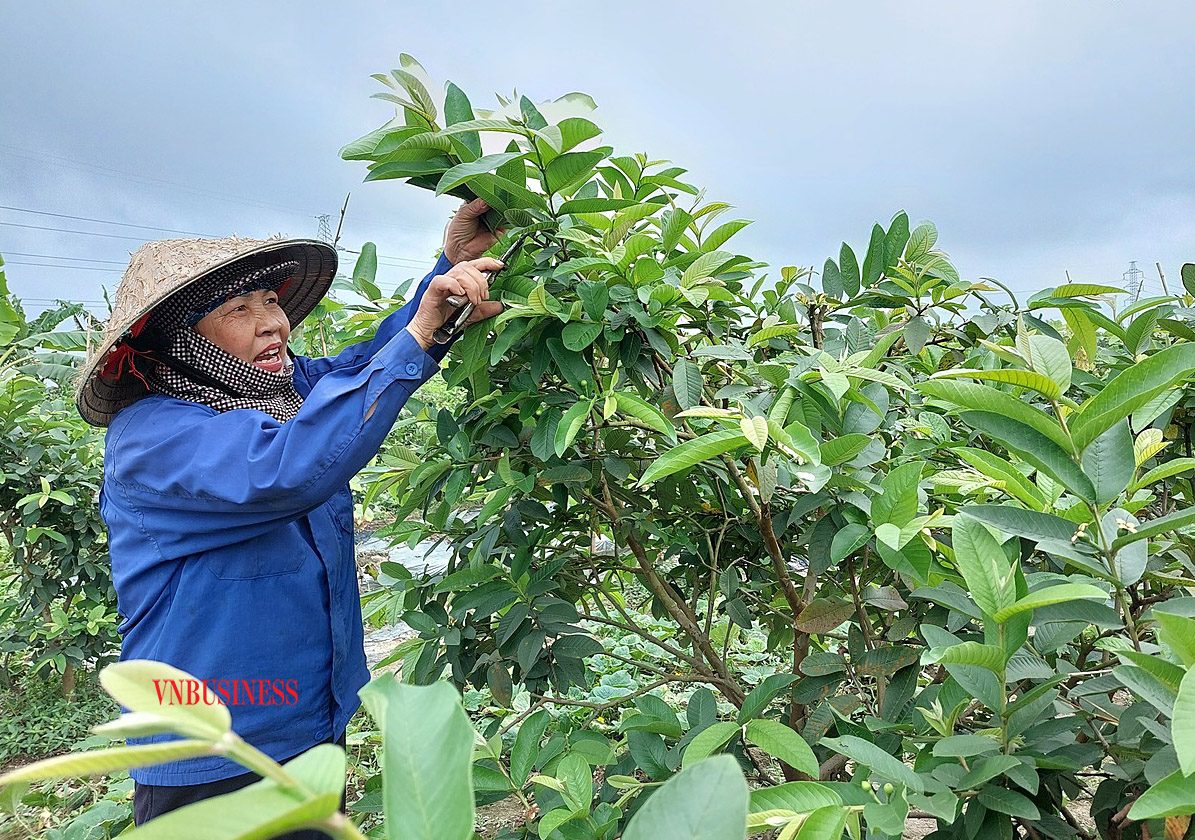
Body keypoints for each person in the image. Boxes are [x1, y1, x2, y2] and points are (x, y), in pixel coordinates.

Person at [73, 198, 505, 831]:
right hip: (213, 746)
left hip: (308, 720)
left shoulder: (274, 390)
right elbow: (289, 468)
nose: (271, 322)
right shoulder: (153, 438)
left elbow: (358, 368)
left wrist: (450, 269)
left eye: (269, 301)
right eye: (238, 309)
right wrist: (415, 340)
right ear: (181, 337)